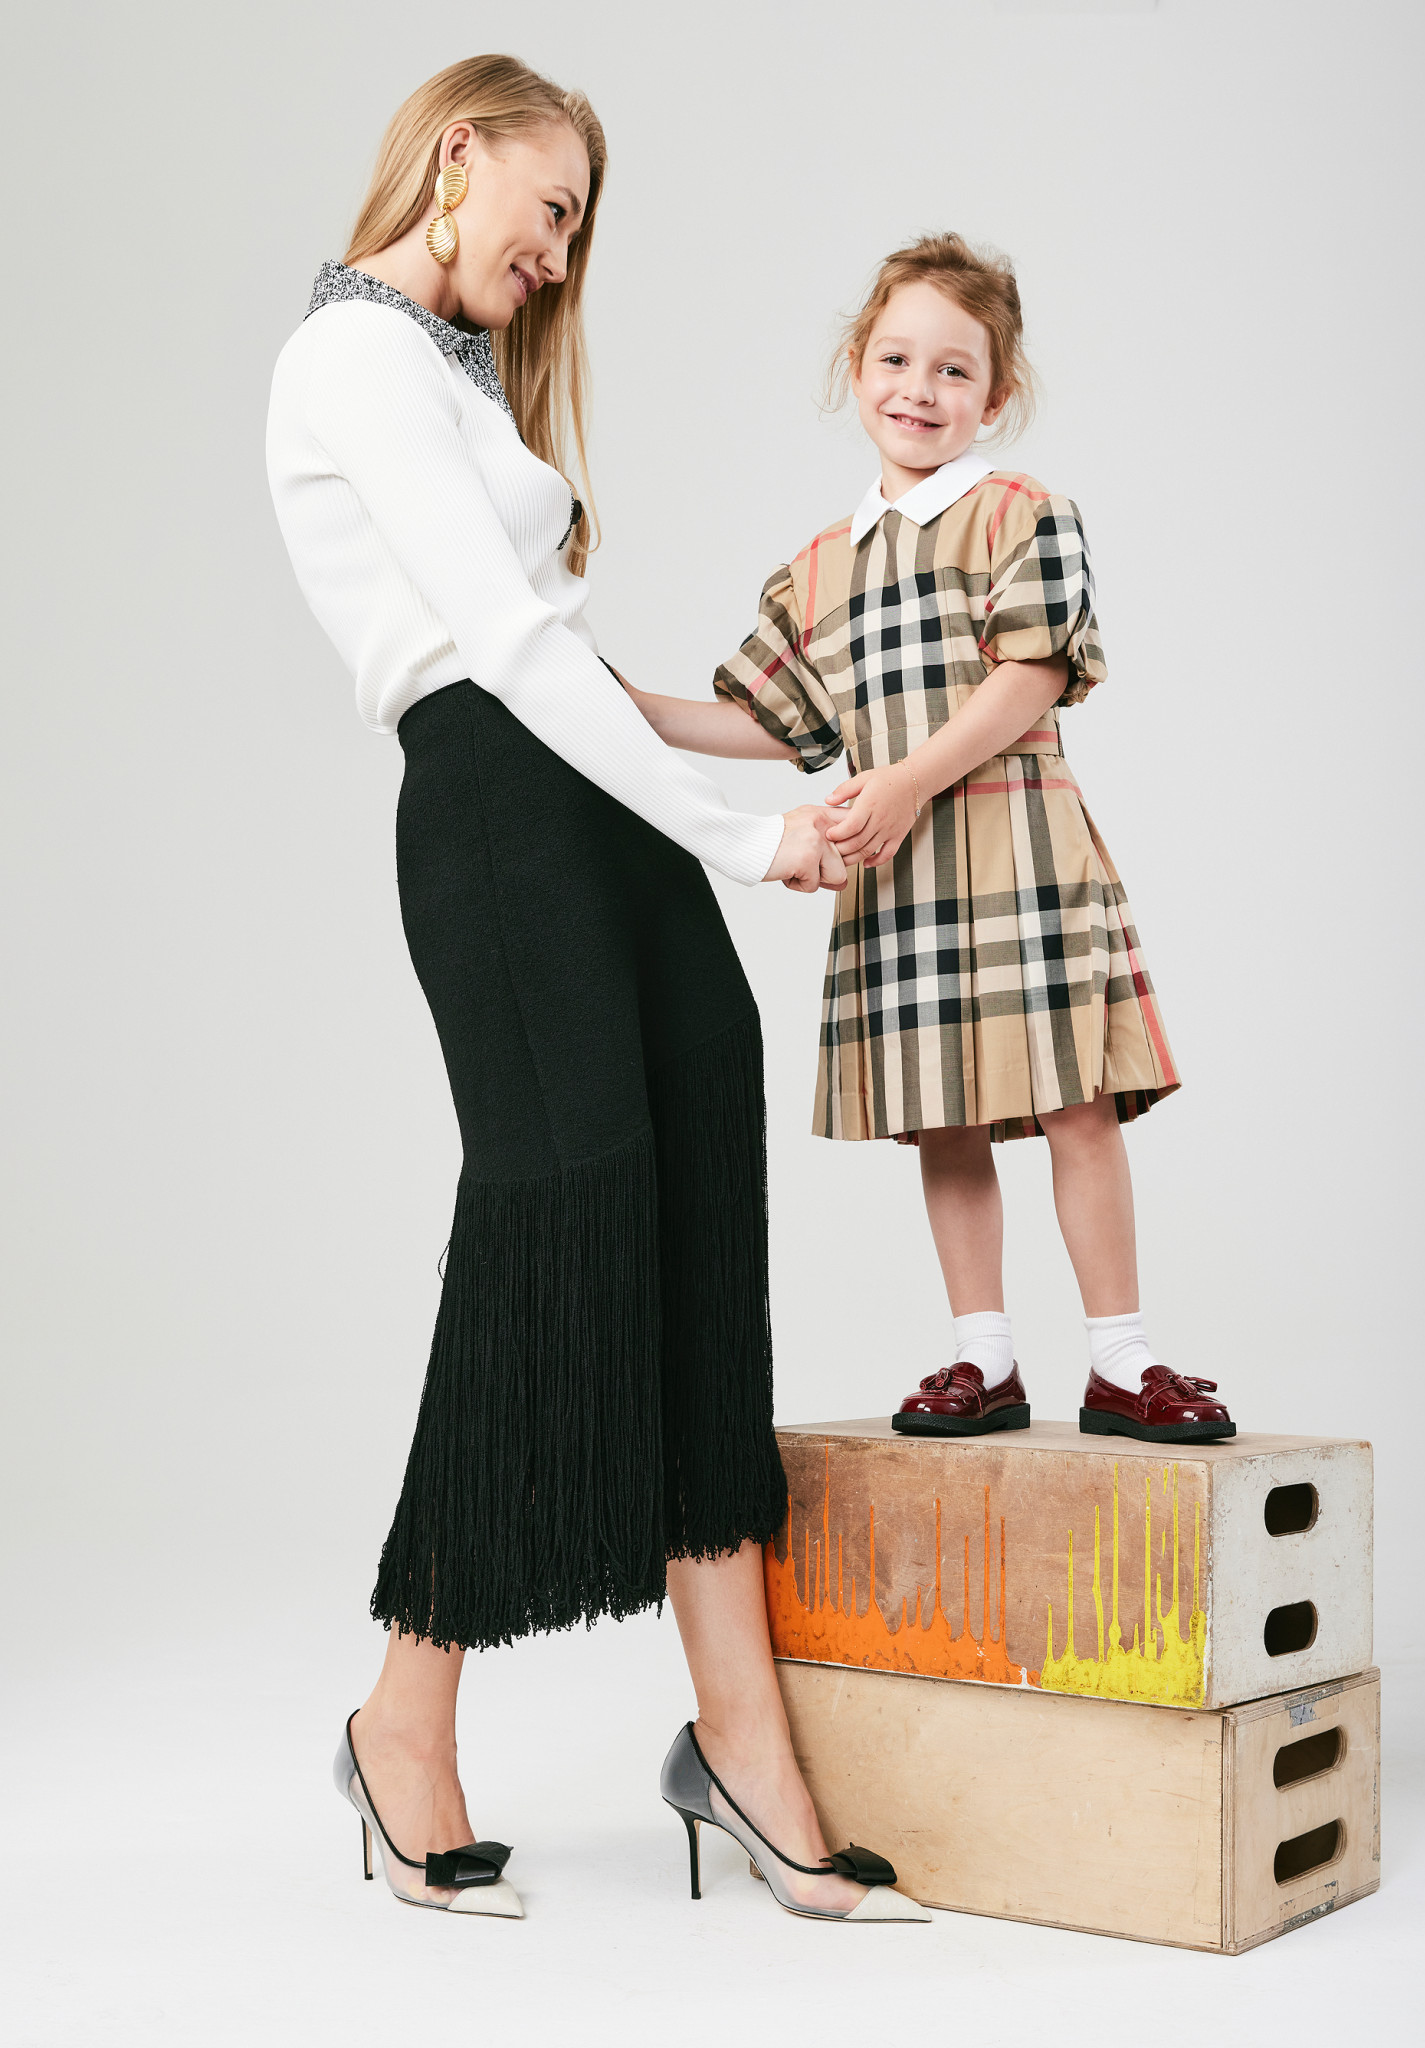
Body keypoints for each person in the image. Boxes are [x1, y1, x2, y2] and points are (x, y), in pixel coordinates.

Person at [266, 54, 929, 1924]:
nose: (559, 256)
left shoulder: (456, 371)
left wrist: (777, 754)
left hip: (596, 808)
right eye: (551, 209)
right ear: (457, 154)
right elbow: (496, 651)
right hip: (498, 822)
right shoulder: (350, 358)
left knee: (703, 1207)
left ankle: (742, 1740)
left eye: (575, 230)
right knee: (554, 1236)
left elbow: (571, 664)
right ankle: (402, 1722)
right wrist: (750, 840)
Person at [625, 233, 1235, 1449]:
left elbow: (1032, 672)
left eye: (955, 370)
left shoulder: (1024, 513)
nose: (920, 388)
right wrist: (610, 702)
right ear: (857, 368)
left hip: (1018, 850)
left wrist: (901, 782)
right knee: (944, 1115)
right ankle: (983, 1354)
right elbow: (770, 721)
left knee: (1075, 1102)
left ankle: (1121, 1357)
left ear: (993, 397)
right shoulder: (815, 570)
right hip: (902, 877)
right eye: (897, 359)